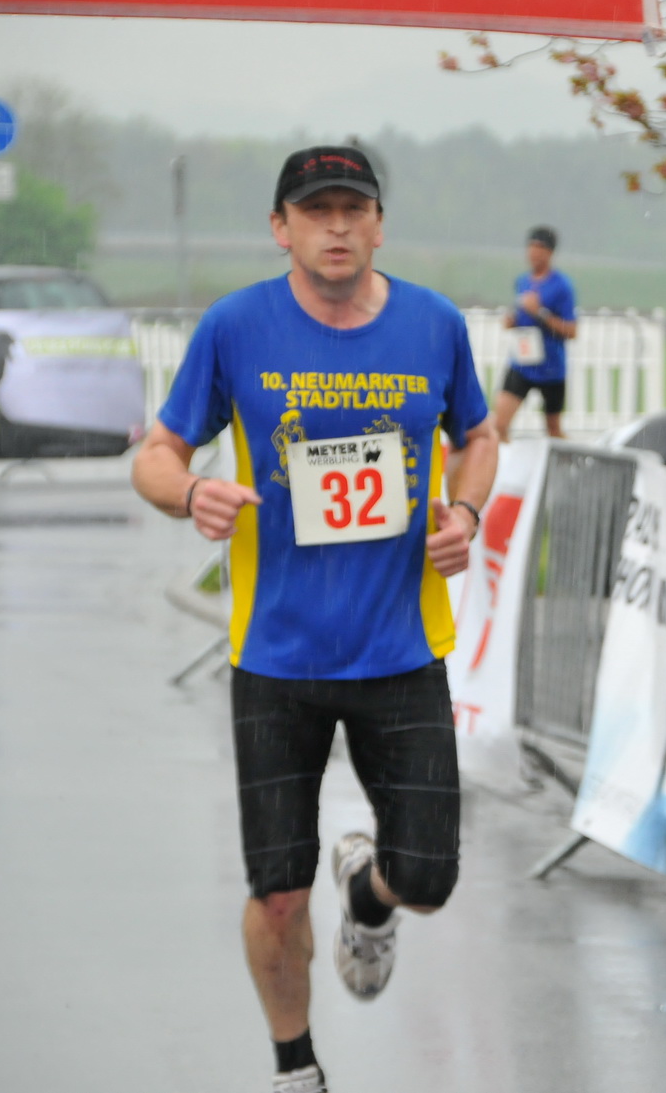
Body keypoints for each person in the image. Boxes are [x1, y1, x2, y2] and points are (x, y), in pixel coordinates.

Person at [131, 145, 497, 1093]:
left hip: (402, 648)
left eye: (352, 209)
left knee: (427, 876)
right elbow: (158, 451)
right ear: (280, 226)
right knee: (277, 889)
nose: (335, 226)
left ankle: (368, 893)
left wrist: (462, 512)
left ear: (378, 224)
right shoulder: (236, 327)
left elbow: (479, 433)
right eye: (315, 210)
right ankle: (296, 1064)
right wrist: (190, 494)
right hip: (277, 656)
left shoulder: (432, 325)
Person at [492, 225, 576, 441]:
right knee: (498, 425)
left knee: (553, 430)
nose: (534, 253)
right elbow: (522, 316)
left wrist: (540, 313)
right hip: (522, 362)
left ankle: (566, 470)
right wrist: (513, 321)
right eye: (531, 247)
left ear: (550, 252)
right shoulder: (522, 281)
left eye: (540, 248)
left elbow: (571, 330)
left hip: (551, 367)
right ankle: (504, 468)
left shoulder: (562, 286)